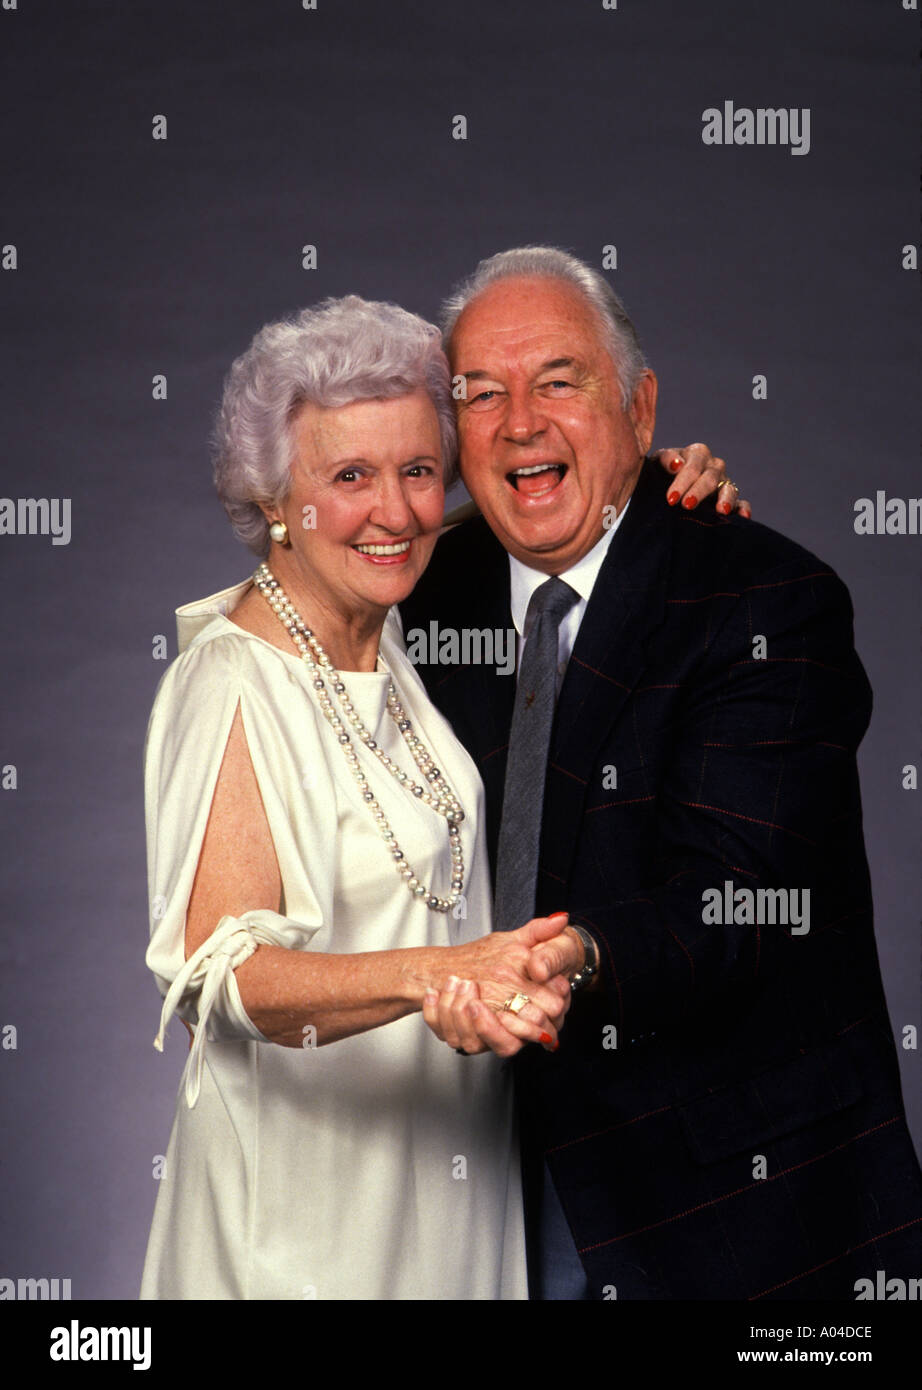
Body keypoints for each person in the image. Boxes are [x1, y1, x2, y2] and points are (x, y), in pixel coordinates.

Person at [140, 293, 732, 1300]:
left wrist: (642, 484)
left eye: (418, 470)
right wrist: (439, 975)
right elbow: (220, 979)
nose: (396, 511)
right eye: (349, 476)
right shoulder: (234, 679)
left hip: (453, 1176)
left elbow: (531, 518)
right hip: (311, 1211)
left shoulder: (398, 627)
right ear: (275, 498)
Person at [402, 246, 922, 1300]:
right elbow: (281, 612)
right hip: (467, 1174)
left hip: (726, 1200)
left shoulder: (764, 599)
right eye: (481, 394)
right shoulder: (420, 596)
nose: (519, 423)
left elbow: (737, 894)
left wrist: (568, 956)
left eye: (559, 381)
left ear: (640, 411)